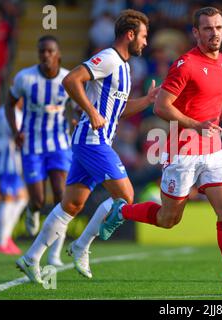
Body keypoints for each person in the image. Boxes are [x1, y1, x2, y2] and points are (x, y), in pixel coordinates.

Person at [99, 7, 222, 296]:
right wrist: (194, 125)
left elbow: (215, 97)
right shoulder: (185, 64)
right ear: (196, 33)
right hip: (182, 150)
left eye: (219, 28)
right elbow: (161, 106)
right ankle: (122, 210)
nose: (215, 34)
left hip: (212, 149)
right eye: (208, 29)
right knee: (169, 219)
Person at [15, 9, 159, 284]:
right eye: (143, 36)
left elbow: (118, 111)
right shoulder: (108, 58)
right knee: (125, 197)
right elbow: (71, 80)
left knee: (71, 204)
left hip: (94, 142)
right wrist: (91, 111)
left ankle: (31, 258)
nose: (145, 42)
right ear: (130, 35)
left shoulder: (125, 68)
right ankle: (81, 246)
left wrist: (147, 100)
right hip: (92, 141)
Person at [5, 35, 72, 266]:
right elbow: (9, 103)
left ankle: (54, 255)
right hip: (32, 145)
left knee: (62, 198)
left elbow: (77, 106)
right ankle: (32, 210)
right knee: (38, 199)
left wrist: (74, 121)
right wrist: (15, 130)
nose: (45, 55)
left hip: (60, 145)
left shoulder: (68, 79)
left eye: (50, 51)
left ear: (58, 54)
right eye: (42, 51)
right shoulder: (25, 77)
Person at [0, 103, 28, 255]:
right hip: (8, 162)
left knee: (21, 198)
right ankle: (2, 240)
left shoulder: (0, 111)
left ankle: (5, 238)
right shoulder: (12, 114)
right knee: (8, 200)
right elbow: (19, 136)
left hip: (5, 160)